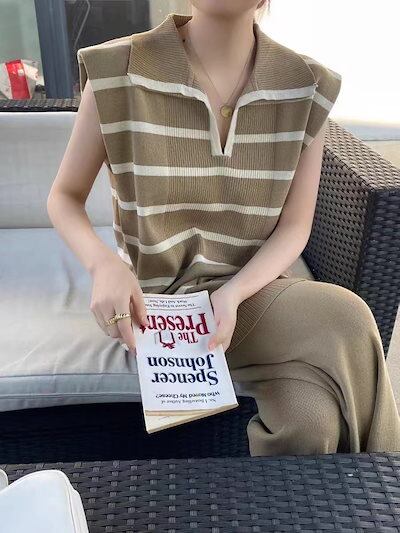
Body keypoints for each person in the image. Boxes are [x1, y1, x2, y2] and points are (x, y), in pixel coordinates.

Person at [47, 0, 400, 455]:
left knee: (314, 409)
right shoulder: (117, 68)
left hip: (254, 294)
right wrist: (104, 266)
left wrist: (233, 295)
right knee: (329, 368)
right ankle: (385, 486)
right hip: (161, 309)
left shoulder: (307, 85)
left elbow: (295, 227)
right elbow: (64, 197)